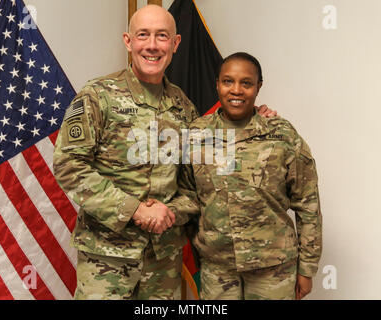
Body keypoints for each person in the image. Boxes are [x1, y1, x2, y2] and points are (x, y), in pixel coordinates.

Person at [53, 5, 275, 300]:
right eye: (143, 35)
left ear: (175, 43)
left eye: (162, 36)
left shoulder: (183, 106)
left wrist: (252, 119)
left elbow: (197, 178)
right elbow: (69, 164)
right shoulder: (98, 95)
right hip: (107, 257)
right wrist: (135, 210)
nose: (153, 45)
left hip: (163, 259)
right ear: (128, 41)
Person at [171, 52, 322, 300]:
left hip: (273, 268)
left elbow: (308, 204)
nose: (236, 90)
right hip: (217, 269)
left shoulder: (282, 135)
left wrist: (307, 268)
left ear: (258, 86)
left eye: (246, 83)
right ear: (217, 84)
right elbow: (188, 195)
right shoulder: (197, 134)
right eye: (228, 81)